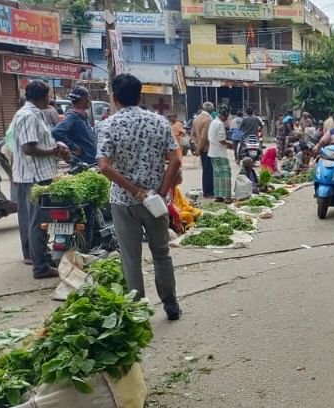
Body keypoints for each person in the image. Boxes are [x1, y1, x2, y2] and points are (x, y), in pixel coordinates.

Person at [97, 74, 182, 321]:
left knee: (130, 258)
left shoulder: (108, 125)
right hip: (156, 202)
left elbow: (104, 166)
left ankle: (138, 313)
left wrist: (134, 190)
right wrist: (162, 191)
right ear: (140, 96)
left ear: (114, 98)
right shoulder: (159, 122)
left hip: (124, 202)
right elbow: (175, 159)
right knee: (161, 253)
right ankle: (171, 305)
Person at [11, 80, 71, 278]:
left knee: (39, 221)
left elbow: (43, 140)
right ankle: (40, 267)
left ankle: (43, 260)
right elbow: (29, 148)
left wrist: (57, 146)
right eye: (48, 96)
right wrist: (53, 151)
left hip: (38, 174)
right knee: (38, 222)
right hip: (34, 177)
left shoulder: (36, 113)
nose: (49, 99)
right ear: (43, 97)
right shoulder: (28, 115)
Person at [51, 86, 96, 165]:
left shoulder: (82, 115)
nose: (89, 100)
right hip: (82, 162)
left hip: (91, 160)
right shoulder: (73, 116)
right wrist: (74, 147)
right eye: (88, 98)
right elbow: (56, 132)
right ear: (83, 99)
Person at [208, 105, 234, 202]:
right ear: (224, 115)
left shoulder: (213, 122)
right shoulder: (220, 124)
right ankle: (227, 197)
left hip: (212, 152)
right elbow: (222, 140)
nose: (227, 118)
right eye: (226, 117)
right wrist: (230, 144)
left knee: (217, 175)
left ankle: (218, 196)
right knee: (226, 174)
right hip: (220, 153)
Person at [191, 103, 215, 197]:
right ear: (211, 110)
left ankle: (207, 191)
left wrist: (197, 145)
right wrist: (199, 148)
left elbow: (193, 134)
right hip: (207, 148)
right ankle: (208, 192)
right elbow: (204, 137)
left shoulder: (196, 119)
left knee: (205, 170)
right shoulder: (208, 119)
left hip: (201, 148)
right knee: (209, 171)